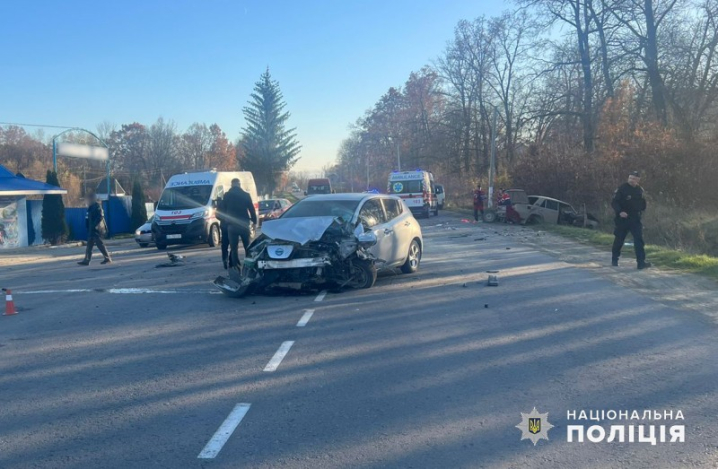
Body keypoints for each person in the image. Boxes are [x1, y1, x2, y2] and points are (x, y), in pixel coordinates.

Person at [611, 171, 651, 269]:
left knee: (639, 240)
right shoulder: (622, 188)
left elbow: (643, 202)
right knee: (619, 239)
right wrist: (620, 211)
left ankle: (641, 262)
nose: (631, 180)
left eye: (634, 179)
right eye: (630, 178)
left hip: (635, 219)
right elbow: (614, 202)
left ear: (638, 180)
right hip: (623, 218)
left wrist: (642, 209)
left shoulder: (639, 190)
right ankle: (614, 259)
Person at [222, 178, 257, 268]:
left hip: (232, 225)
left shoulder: (227, 196)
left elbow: (223, 209)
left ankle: (236, 267)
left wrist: (225, 221)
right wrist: (254, 222)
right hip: (244, 224)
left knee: (234, 248)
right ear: (240, 185)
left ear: (231, 185)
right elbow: (252, 210)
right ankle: (249, 266)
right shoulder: (246, 195)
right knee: (247, 246)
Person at [78, 192, 112, 265]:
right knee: (89, 245)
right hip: (91, 229)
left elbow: (100, 216)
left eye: (89, 199)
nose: (87, 200)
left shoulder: (97, 206)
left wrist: (94, 225)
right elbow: (87, 218)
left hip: (97, 229)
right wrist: (88, 226)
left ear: (92, 199)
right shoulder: (90, 208)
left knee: (100, 244)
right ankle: (86, 260)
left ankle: (107, 258)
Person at [216, 195, 230, 269]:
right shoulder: (232, 203)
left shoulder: (221, 203)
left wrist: (223, 219)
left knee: (224, 244)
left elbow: (217, 215)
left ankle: (225, 258)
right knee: (233, 245)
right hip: (232, 226)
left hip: (224, 226)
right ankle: (231, 260)